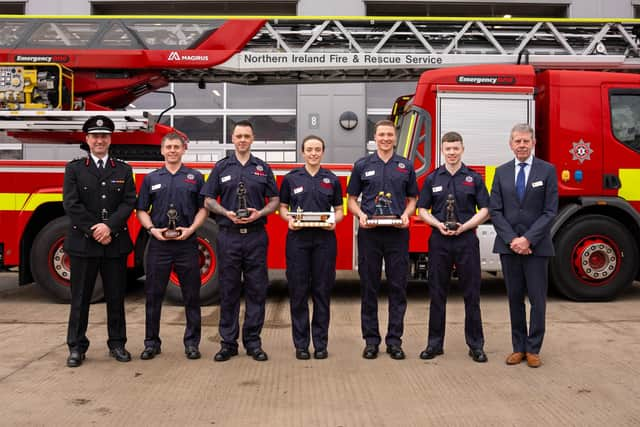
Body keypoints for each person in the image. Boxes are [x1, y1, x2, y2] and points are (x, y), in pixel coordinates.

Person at [202, 120, 279, 362]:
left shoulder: (263, 168)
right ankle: (228, 343)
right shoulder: (222, 167)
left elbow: (275, 199)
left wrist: (261, 213)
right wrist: (226, 213)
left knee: (257, 291)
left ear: (252, 139)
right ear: (232, 139)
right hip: (228, 237)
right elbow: (207, 200)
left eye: (246, 136)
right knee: (229, 290)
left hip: (256, 236)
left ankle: (253, 343)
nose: (242, 140)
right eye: (238, 136)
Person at [62, 115, 136, 367]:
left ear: (110, 139)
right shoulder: (74, 169)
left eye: (104, 136)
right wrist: (95, 229)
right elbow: (71, 204)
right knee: (80, 298)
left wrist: (109, 227)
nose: (99, 140)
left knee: (116, 297)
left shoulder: (123, 169)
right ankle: (76, 346)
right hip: (84, 243)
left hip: (114, 242)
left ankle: (117, 344)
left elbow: (129, 202)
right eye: (95, 136)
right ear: (87, 140)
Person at [346, 119, 418, 360]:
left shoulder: (406, 166)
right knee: (369, 288)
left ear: (395, 138)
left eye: (389, 134)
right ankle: (371, 341)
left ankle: (395, 341)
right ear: (374, 138)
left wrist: (407, 216)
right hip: (370, 234)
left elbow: (412, 200)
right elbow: (352, 200)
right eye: (381, 135)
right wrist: (362, 215)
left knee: (398, 288)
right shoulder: (362, 165)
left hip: (397, 234)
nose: (385, 138)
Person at [417, 131, 490, 363]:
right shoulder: (432, 178)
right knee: (437, 293)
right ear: (442, 150)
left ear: (462, 149)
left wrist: (465, 226)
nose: (451, 152)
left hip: (466, 240)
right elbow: (422, 210)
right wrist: (438, 224)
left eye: (455, 148)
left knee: (472, 294)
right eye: (447, 149)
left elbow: (486, 210)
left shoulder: (474, 178)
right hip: (439, 241)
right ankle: (434, 344)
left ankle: (476, 345)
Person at [489, 123, 558, 368]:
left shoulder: (547, 171)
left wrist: (528, 239)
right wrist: (512, 240)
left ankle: (534, 349)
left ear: (533, 143)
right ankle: (518, 347)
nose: (521, 145)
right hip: (509, 248)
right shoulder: (501, 172)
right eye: (517, 141)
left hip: (536, 248)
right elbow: (495, 211)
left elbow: (550, 211)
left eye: (525, 141)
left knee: (538, 300)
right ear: (510, 144)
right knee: (514, 298)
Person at [136, 132, 208, 361]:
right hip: (159, 245)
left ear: (184, 149)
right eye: (169, 147)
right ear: (162, 150)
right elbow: (140, 210)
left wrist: (191, 229)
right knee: (153, 295)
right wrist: (151, 230)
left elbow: (203, 209)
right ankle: (151, 343)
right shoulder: (151, 178)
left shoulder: (195, 177)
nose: (173, 150)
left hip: (187, 244)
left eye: (177, 147)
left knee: (191, 296)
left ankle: (192, 343)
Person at [279, 135, 344, 360]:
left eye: (317, 149)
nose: (313, 153)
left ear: (323, 152)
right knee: (298, 293)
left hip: (324, 241)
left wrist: (333, 222)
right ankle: (301, 345)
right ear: (302, 152)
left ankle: (321, 344)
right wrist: (289, 219)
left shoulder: (332, 180)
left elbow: (339, 210)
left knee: (322, 292)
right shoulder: (291, 179)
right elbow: (283, 208)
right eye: (309, 149)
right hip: (298, 241)